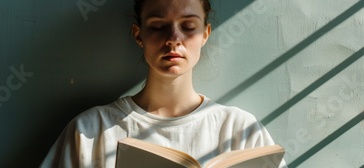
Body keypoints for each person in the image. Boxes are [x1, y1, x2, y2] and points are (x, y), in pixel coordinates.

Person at [41, 0, 286, 167]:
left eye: (188, 27)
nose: (173, 39)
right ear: (139, 35)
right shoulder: (89, 131)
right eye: (158, 26)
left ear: (205, 34)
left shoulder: (240, 130)